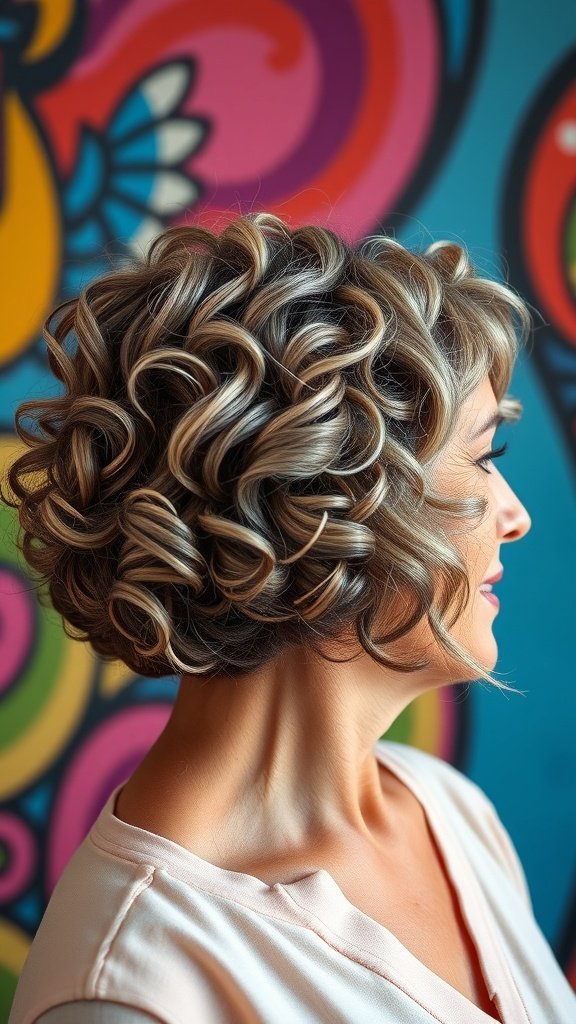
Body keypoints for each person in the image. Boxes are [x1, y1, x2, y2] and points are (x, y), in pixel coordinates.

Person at [6, 212, 575, 1024]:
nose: (515, 515)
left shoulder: (451, 813)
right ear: (326, 504)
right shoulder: (133, 987)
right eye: (483, 458)